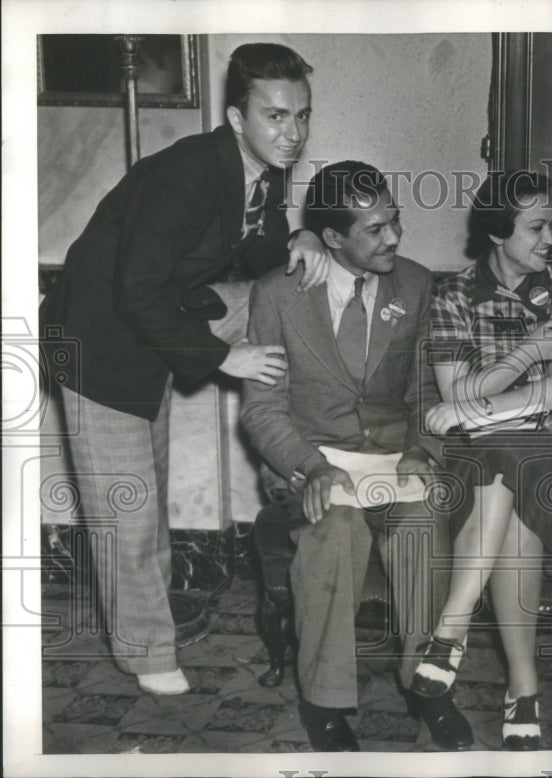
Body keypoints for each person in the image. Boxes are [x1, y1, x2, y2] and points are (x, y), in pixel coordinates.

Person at [38, 43, 328, 696]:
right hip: (98, 339)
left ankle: (315, 435)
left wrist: (303, 239)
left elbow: (259, 247)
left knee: (153, 483)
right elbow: (134, 290)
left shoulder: (262, 168)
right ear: (234, 116)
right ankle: (145, 653)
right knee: (129, 510)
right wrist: (226, 356)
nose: (292, 133)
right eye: (276, 116)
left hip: (157, 326)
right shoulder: (186, 175)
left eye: (302, 116)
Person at [240, 161, 473, 752]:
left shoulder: (418, 286)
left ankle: (427, 682)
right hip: (312, 462)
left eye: (394, 220)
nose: (393, 237)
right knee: (336, 525)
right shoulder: (277, 295)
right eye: (374, 229)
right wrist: (311, 468)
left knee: (422, 521)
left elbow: (426, 390)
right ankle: (323, 700)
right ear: (333, 238)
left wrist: (422, 448)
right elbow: (262, 410)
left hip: (395, 461)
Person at [411, 171, 552, 750]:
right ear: (497, 231)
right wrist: (530, 352)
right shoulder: (454, 296)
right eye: (537, 227)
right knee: (505, 476)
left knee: (510, 454)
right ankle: (524, 689)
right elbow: (454, 393)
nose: (550, 241)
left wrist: (477, 407)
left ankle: (452, 627)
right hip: (480, 462)